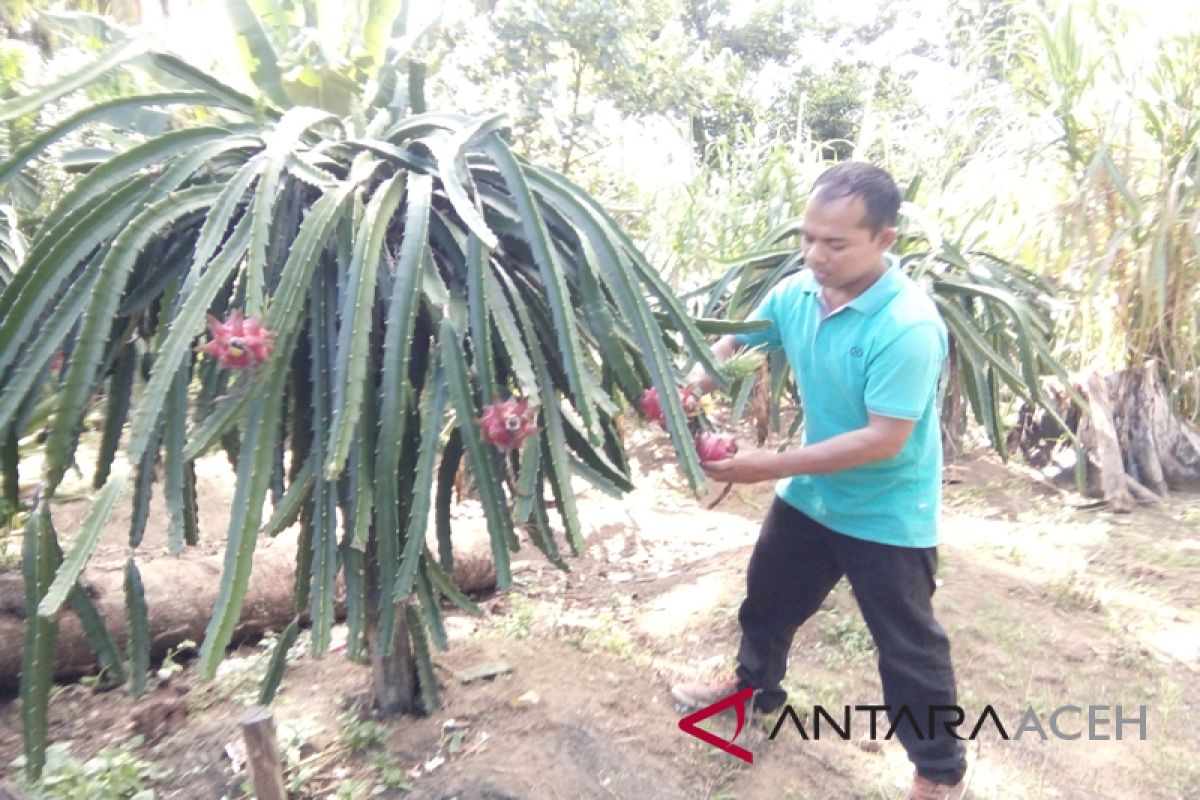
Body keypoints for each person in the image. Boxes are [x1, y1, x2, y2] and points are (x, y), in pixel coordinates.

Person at [670, 163, 968, 800]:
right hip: (811, 496)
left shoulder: (908, 325)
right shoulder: (799, 290)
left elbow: (882, 439)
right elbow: (740, 339)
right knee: (767, 604)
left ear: (884, 240)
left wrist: (765, 465)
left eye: (836, 243)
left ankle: (939, 774)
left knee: (908, 649)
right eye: (809, 238)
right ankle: (752, 694)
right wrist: (687, 385)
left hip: (887, 509)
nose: (816, 255)